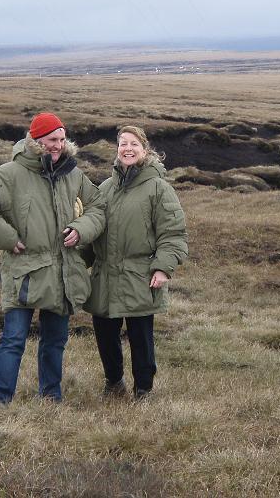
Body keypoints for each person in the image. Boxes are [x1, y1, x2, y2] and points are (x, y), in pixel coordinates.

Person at [0, 112, 105, 404]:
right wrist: (7, 237)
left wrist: (81, 229)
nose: (58, 145)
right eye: (53, 140)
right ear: (36, 140)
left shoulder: (72, 173)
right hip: (24, 271)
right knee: (13, 340)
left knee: (55, 341)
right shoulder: (10, 174)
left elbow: (98, 206)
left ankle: (51, 396)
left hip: (63, 271)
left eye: (62, 139)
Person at [84, 125, 188, 399]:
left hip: (140, 275)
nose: (127, 149)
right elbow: (93, 231)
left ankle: (144, 390)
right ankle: (114, 383)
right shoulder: (105, 188)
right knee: (105, 334)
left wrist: (163, 267)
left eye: (133, 144)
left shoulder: (158, 188)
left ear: (145, 150)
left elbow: (173, 233)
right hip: (104, 275)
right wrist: (74, 261)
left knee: (141, 338)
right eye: (122, 144)